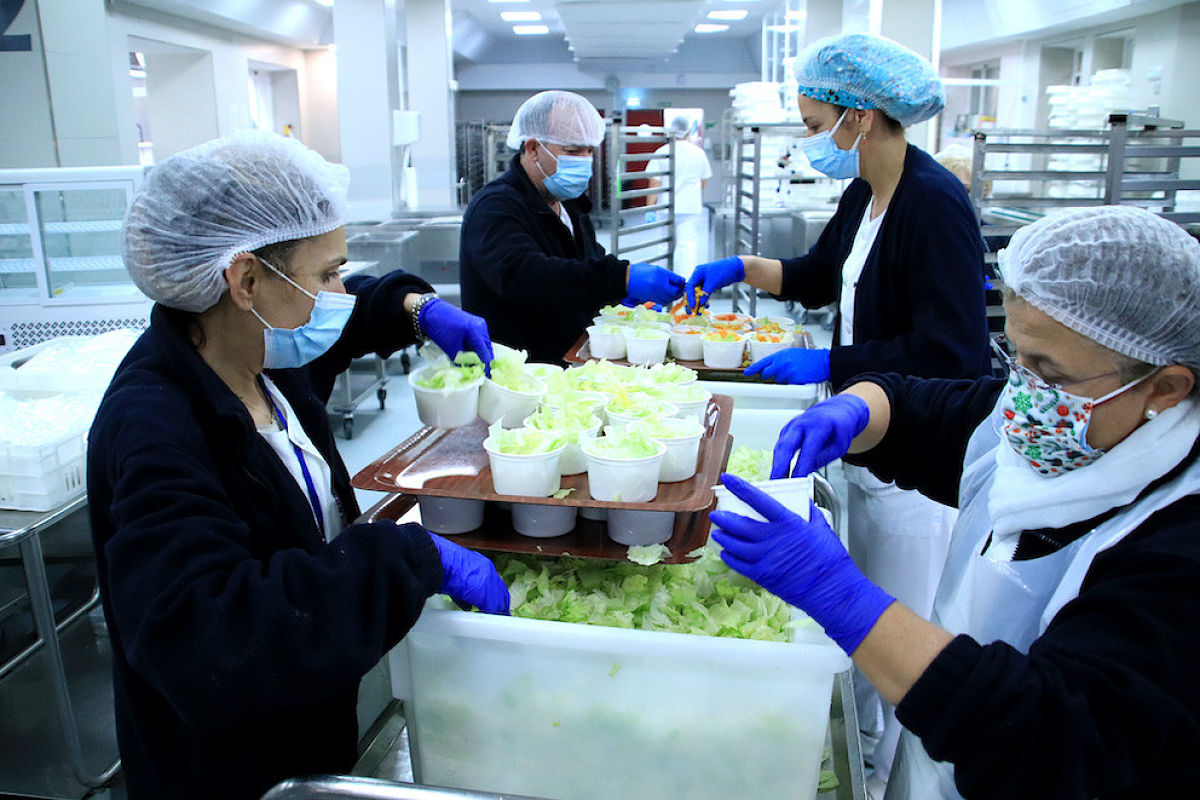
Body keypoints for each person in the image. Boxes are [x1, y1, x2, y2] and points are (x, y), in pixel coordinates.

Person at [711, 206, 1200, 799]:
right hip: (935, 761)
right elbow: (923, 407)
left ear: (1167, 387)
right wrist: (857, 409)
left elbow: (1053, 736)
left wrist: (839, 595)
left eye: (1049, 371)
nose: (1023, 390)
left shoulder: (1179, 539)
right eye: (1015, 355)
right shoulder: (1046, 424)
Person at [87, 130, 510, 800]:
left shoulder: (259, 356)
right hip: (228, 775)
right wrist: (405, 559)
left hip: (306, 730)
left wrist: (418, 310)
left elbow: (359, 307)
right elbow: (209, 641)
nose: (340, 292)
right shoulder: (156, 428)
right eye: (326, 274)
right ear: (246, 279)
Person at [684, 33, 989, 785]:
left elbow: (954, 356)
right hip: (862, 436)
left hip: (911, 473)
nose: (811, 142)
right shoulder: (866, 190)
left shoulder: (934, 205)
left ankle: (890, 775)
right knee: (858, 621)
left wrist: (836, 363)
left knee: (893, 626)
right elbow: (822, 276)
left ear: (863, 115)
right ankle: (859, 737)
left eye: (818, 126)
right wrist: (743, 268)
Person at [460, 90, 685, 363]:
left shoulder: (568, 203)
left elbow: (586, 264)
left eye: (589, 150)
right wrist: (620, 278)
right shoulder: (495, 207)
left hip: (570, 361)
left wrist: (617, 294)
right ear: (532, 149)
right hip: (521, 375)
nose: (584, 159)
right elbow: (527, 276)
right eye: (572, 150)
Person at [646, 114, 713, 280]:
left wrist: (650, 209)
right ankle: (685, 287)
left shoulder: (661, 152)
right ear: (688, 131)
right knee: (687, 247)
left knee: (663, 246)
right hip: (690, 207)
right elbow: (702, 183)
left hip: (666, 207)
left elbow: (654, 184)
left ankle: (662, 283)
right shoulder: (698, 153)